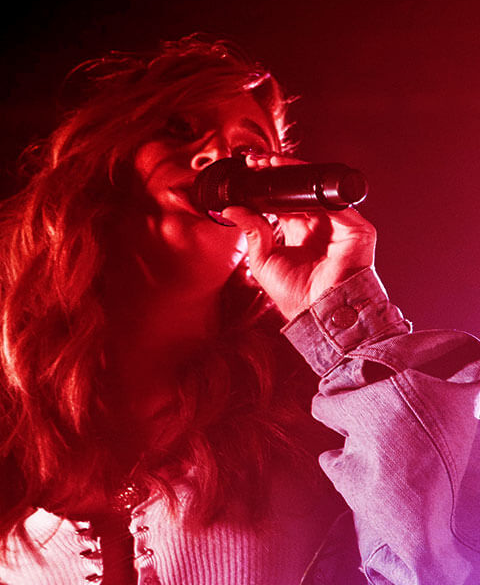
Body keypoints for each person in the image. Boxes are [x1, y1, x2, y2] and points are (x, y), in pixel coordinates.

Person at [0, 34, 478, 585]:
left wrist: (346, 320)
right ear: (106, 163)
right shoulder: (16, 410)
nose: (213, 157)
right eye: (178, 128)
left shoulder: (315, 415)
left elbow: (447, 564)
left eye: (246, 149)